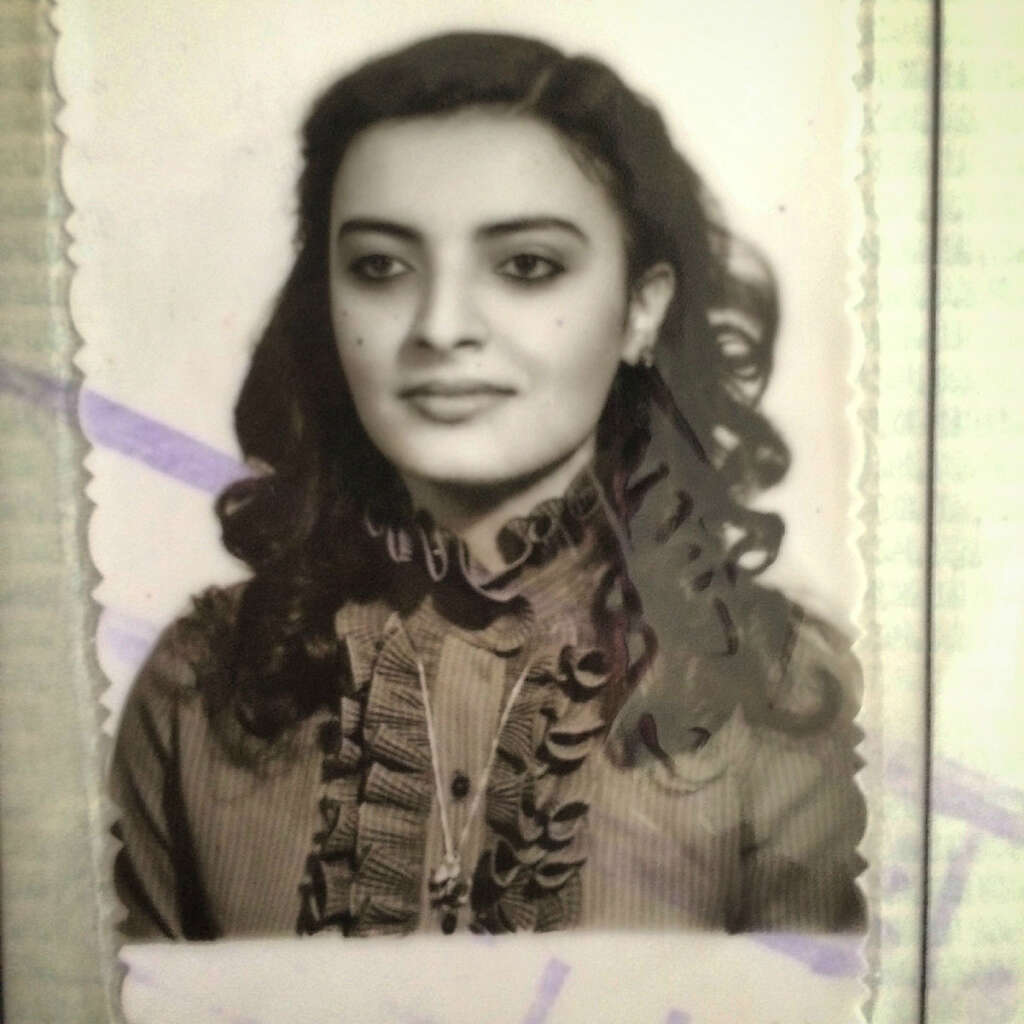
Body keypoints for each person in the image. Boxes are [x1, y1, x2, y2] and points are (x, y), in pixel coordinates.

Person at [110, 31, 865, 940]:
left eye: (526, 266)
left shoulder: (781, 693)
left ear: (641, 311)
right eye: (382, 267)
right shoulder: (198, 688)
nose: (439, 326)